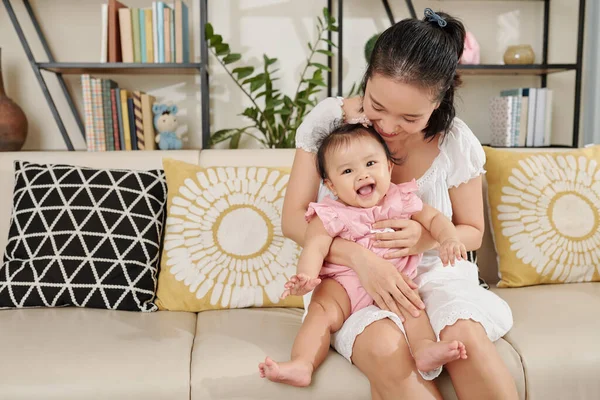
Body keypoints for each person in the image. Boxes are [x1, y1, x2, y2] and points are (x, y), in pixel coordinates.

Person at [279, 8, 517, 400]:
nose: (387, 126)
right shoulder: (329, 122)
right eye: (377, 105)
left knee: (465, 340)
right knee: (385, 349)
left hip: (436, 275)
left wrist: (424, 239)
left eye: (409, 116)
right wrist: (360, 258)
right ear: (367, 77)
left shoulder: (456, 143)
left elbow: (471, 232)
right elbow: (293, 220)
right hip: (348, 282)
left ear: (439, 103)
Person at [259, 123, 469, 387]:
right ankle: (303, 363)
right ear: (331, 185)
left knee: (412, 304)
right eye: (348, 170)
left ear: (389, 168)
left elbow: (435, 218)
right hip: (343, 286)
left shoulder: (400, 198)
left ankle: (424, 348)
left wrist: (448, 238)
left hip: (393, 282)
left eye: (371, 164)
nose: (362, 175)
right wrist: (307, 276)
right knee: (320, 311)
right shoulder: (331, 212)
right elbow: (315, 246)